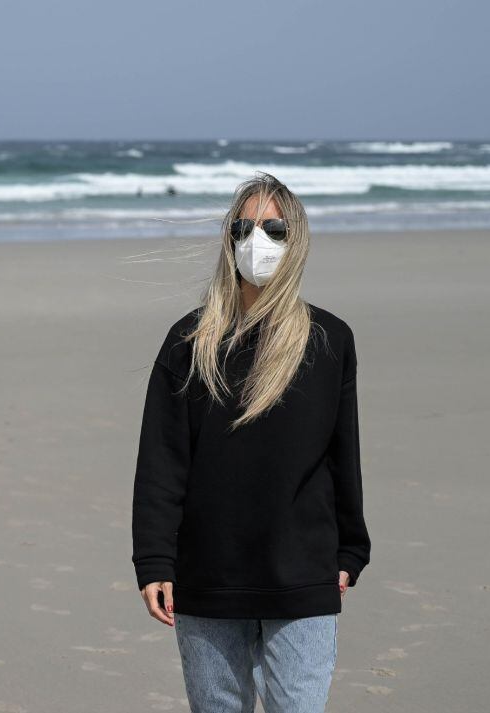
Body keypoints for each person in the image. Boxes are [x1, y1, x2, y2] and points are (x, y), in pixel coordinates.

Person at [131, 173, 370, 713]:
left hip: (303, 574)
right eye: (242, 226)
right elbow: (162, 462)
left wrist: (352, 550)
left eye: (273, 228)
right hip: (208, 576)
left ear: (297, 239)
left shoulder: (330, 340)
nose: (254, 240)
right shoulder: (190, 341)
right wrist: (154, 560)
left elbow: (342, 455)